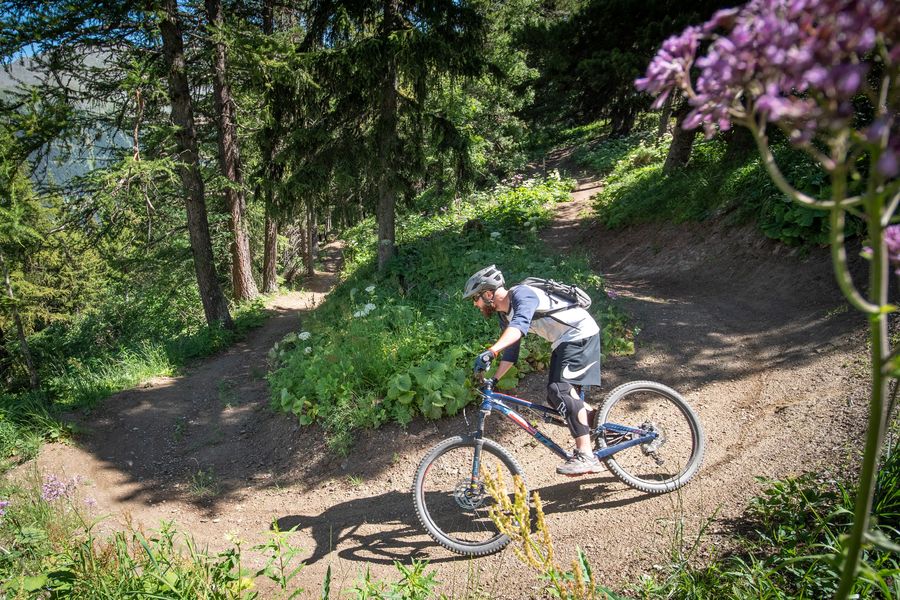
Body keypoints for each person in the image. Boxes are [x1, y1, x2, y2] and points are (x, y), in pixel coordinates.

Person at [464, 265, 603, 476]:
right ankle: (606, 429)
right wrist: (494, 379)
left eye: (476, 298)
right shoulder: (504, 316)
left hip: (580, 334)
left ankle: (586, 455)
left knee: (559, 390)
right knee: (557, 396)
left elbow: (519, 327)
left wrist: (491, 352)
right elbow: (511, 352)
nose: (475, 304)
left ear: (489, 293)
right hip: (563, 341)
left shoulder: (522, 294)